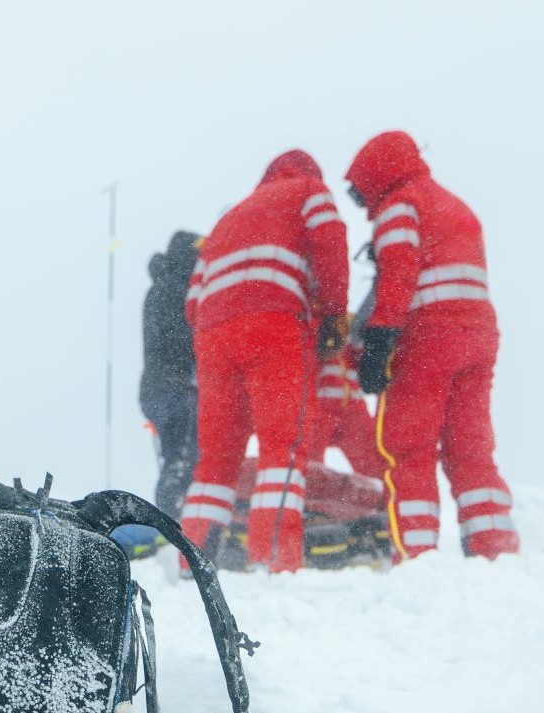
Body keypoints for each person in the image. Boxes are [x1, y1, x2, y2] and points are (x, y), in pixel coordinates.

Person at [345, 130, 519, 560]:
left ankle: (418, 556)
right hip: (478, 338)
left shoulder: (399, 206)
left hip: (427, 340)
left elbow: (397, 278)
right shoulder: (457, 206)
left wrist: (379, 342)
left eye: (361, 195)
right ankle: (494, 549)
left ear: (375, 177)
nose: (365, 208)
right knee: (471, 449)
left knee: (407, 447)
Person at [179, 150, 349, 572]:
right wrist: (332, 314)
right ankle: (272, 559)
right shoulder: (309, 191)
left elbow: (191, 302)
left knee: (216, 459)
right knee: (282, 447)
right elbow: (331, 243)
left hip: (212, 337)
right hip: (273, 326)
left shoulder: (228, 219)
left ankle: (194, 562)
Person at [139, 231, 203, 519]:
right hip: (175, 388)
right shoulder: (176, 288)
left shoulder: (162, 287)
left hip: (158, 389)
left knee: (176, 456)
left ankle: (175, 516)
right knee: (182, 458)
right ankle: (174, 518)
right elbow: (182, 338)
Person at [307, 285, 385, 479]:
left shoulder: (349, 333)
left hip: (352, 408)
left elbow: (363, 360)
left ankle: (380, 501)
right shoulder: (310, 327)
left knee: (374, 464)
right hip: (319, 408)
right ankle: (304, 498)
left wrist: (367, 341)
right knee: (308, 463)